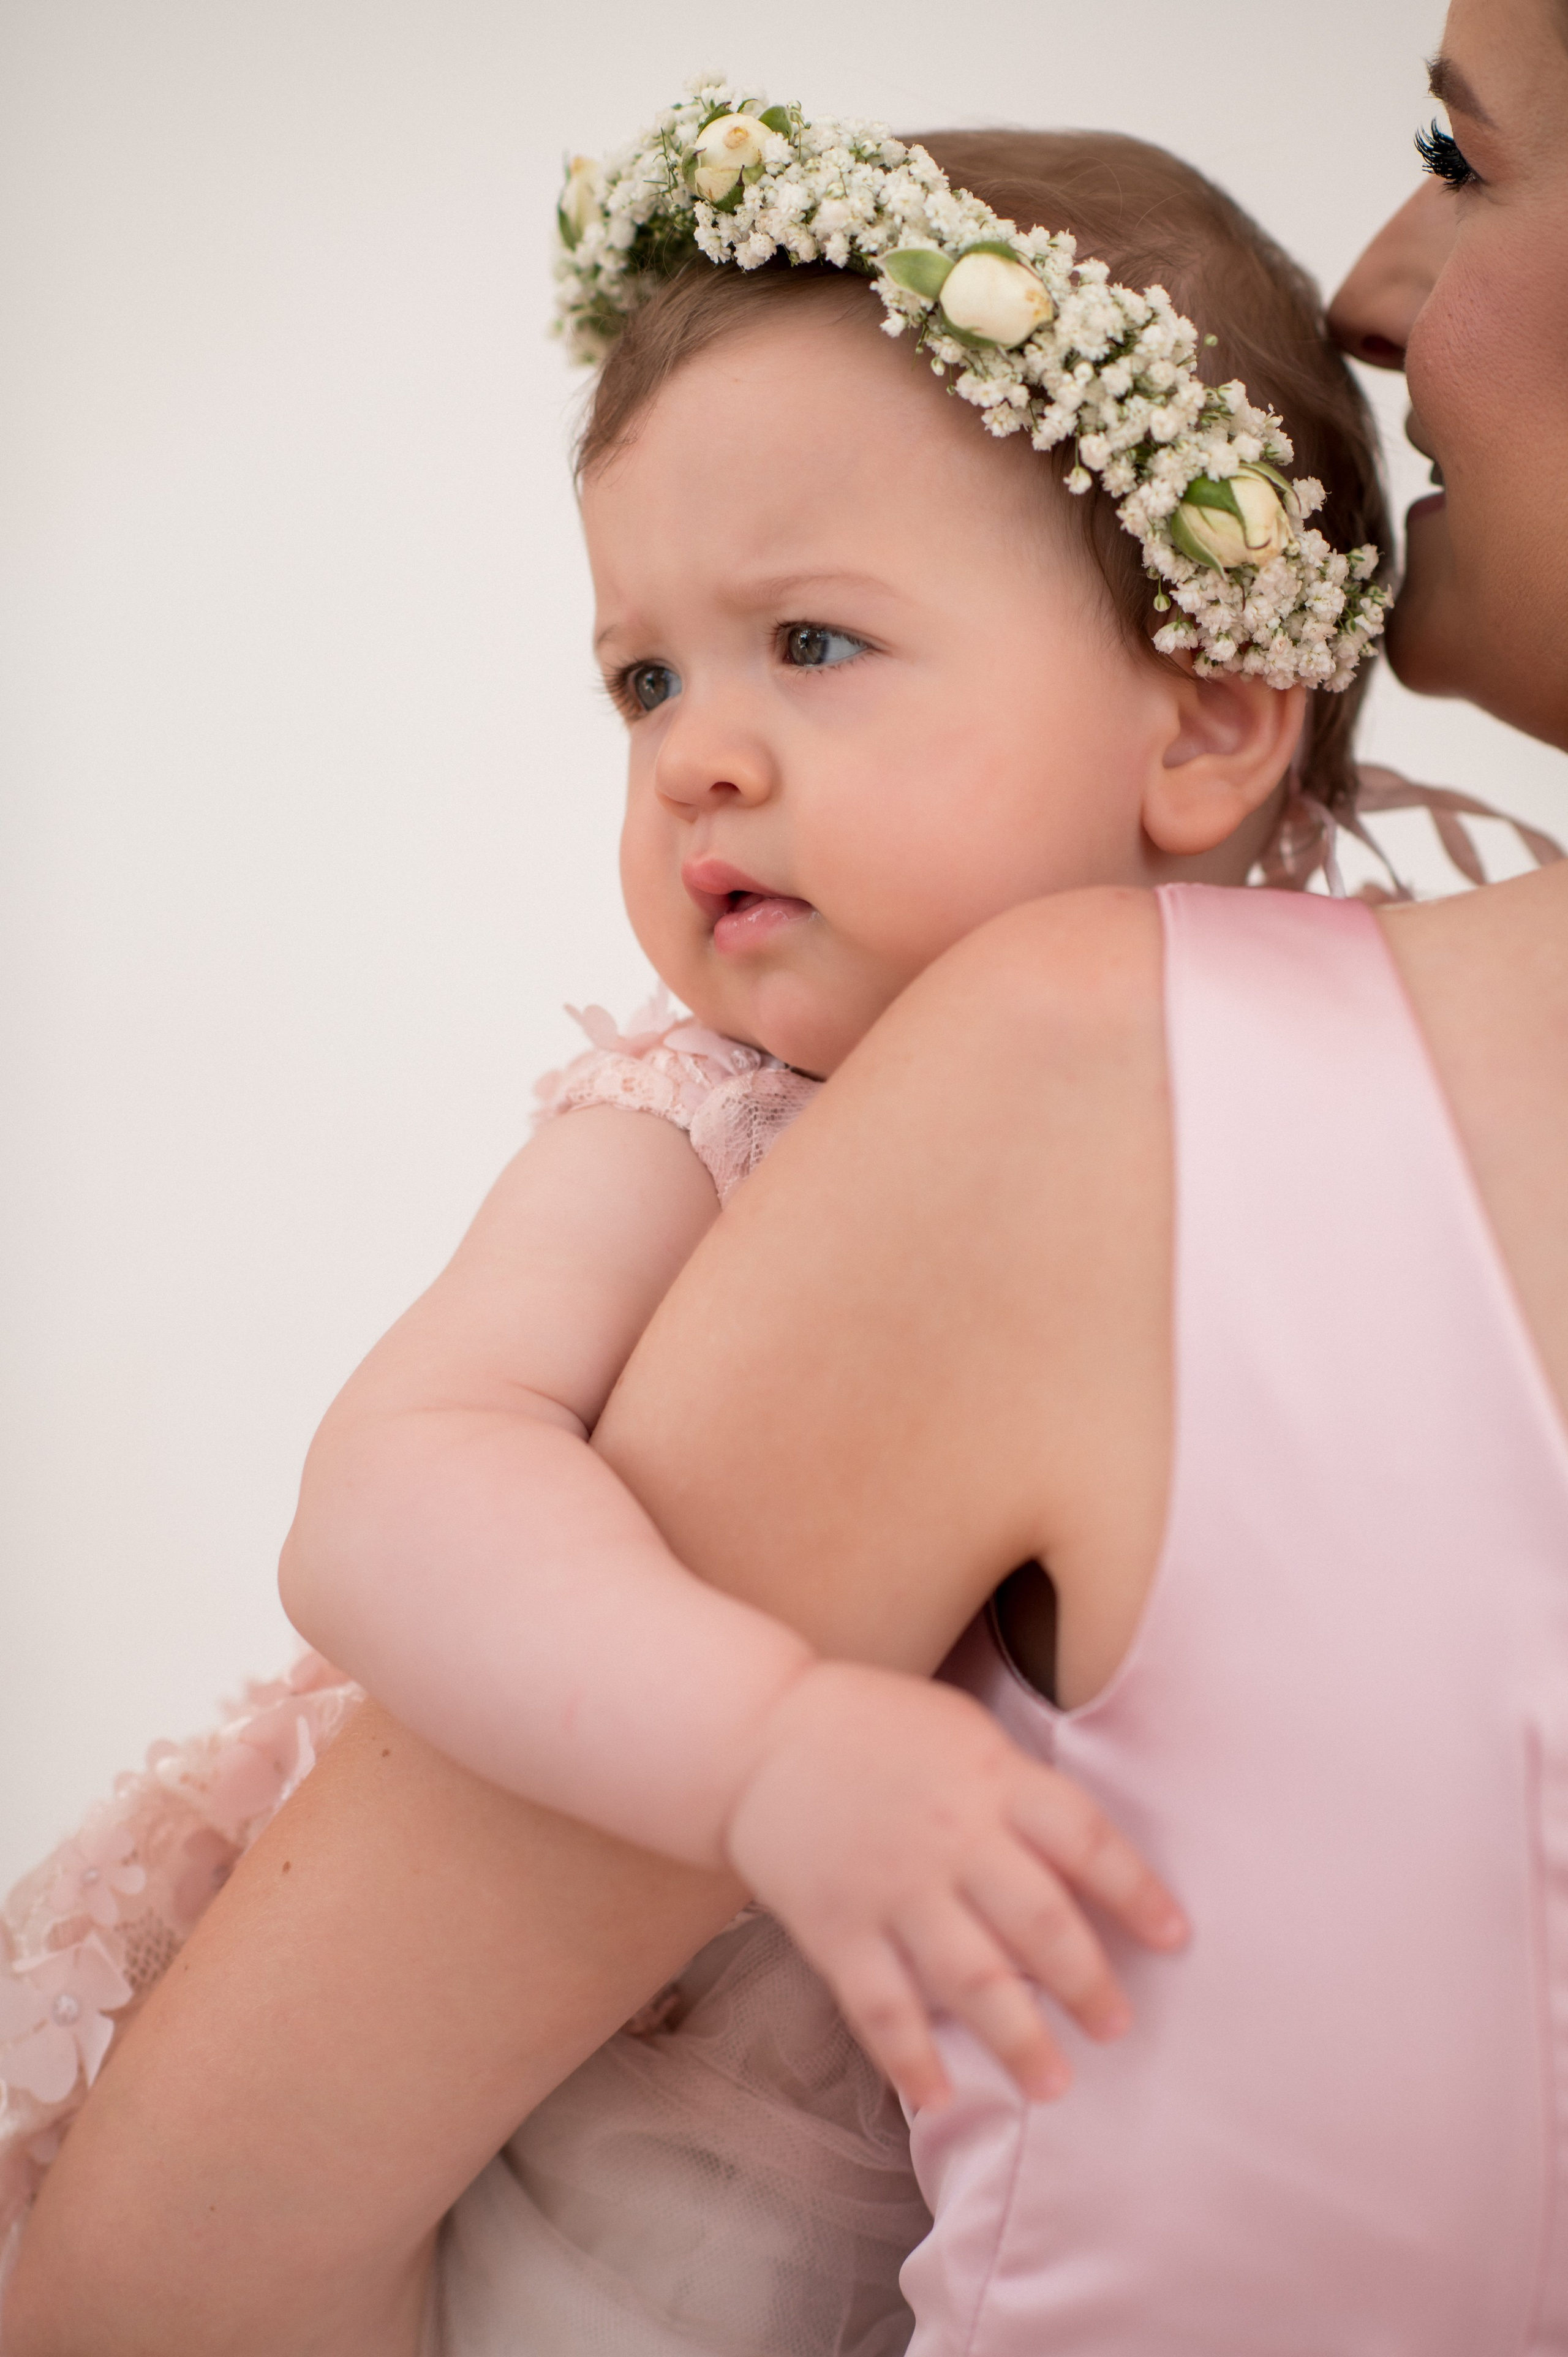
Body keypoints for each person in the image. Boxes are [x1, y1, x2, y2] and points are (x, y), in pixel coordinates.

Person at [10, 1, 1568, 2341]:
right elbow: (389, 1494)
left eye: (811, 644)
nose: (695, 762)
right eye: (644, 680)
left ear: (1207, 718)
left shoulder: (1323, 1117)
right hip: (593, 2175)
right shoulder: (699, 1118)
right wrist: (759, 1745)